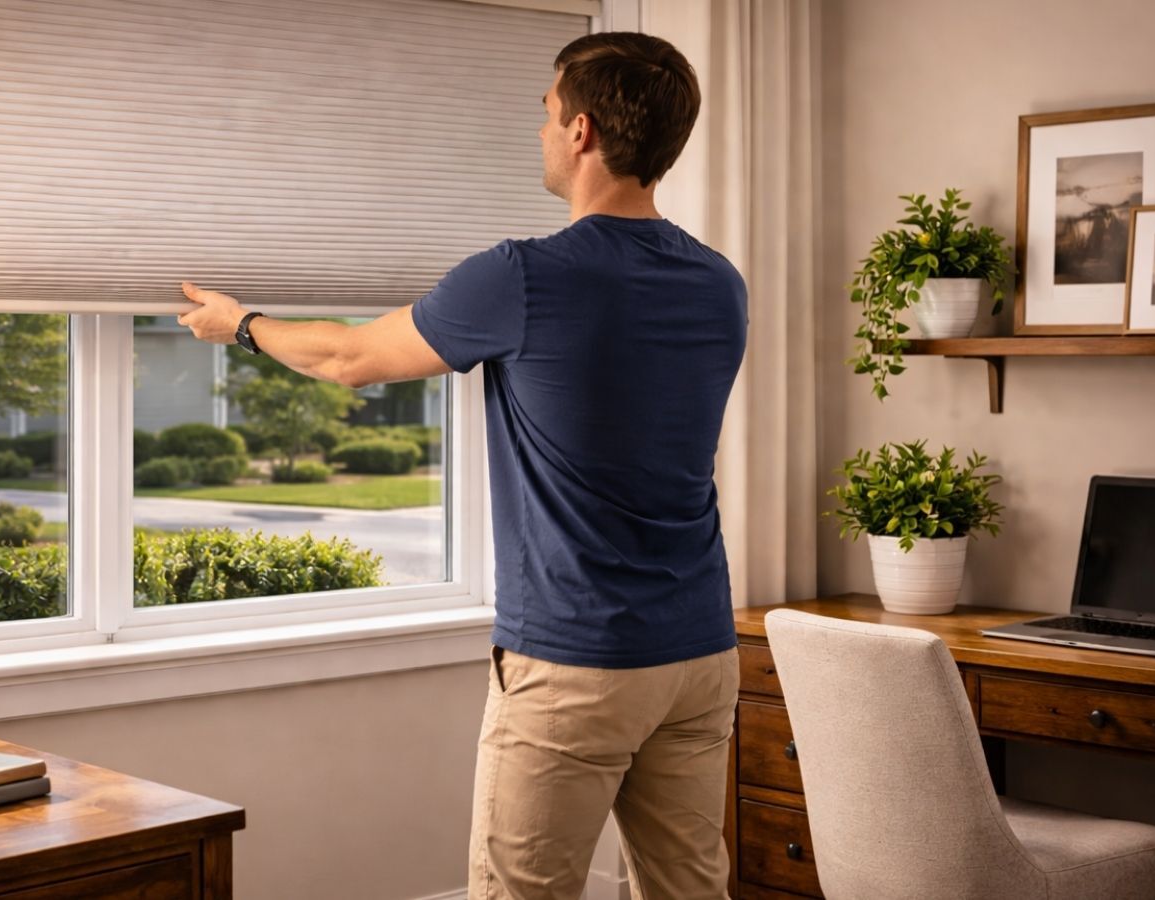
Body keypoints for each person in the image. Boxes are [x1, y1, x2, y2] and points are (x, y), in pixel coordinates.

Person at [178, 31, 747, 900]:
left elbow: (346, 357)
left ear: (583, 130)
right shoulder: (719, 283)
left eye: (547, 112)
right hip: (699, 651)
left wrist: (242, 324)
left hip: (577, 660)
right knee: (689, 891)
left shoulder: (522, 277)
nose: (541, 128)